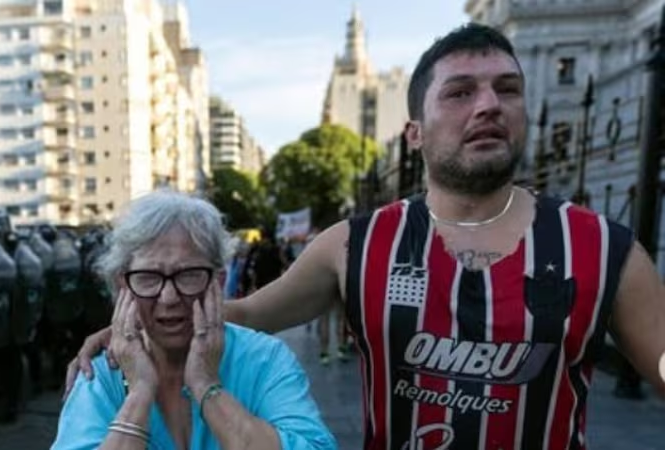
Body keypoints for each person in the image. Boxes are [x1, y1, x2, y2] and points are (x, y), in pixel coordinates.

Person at [66, 24, 665, 449]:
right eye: (460, 92)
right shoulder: (355, 245)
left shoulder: (604, 250)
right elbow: (236, 312)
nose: (487, 105)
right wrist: (132, 324)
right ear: (413, 132)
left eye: (507, 89)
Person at [52, 191, 336, 450]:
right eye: (148, 278)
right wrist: (139, 394)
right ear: (123, 286)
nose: (168, 298)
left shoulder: (264, 358)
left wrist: (206, 386)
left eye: (188, 275)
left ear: (218, 281)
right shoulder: (101, 375)